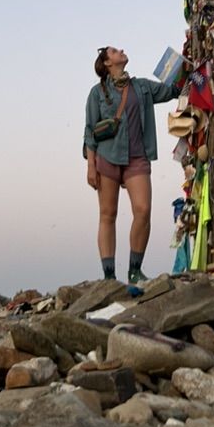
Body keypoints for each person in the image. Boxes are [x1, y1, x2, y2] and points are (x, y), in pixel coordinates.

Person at [83, 45, 177, 283]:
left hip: (137, 157)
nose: (121, 51)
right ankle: (109, 276)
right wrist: (91, 166)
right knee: (108, 214)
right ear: (107, 63)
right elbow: (89, 131)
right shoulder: (96, 93)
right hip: (107, 157)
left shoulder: (142, 86)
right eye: (115, 51)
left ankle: (135, 270)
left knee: (143, 210)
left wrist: (188, 70)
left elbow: (172, 90)